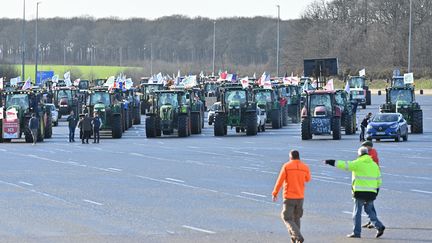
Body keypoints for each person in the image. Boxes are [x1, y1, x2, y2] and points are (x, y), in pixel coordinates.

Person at [324, 147, 385, 238]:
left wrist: (331, 162)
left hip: (360, 192)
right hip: (371, 192)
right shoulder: (374, 165)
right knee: (369, 210)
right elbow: (379, 181)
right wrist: (376, 192)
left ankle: (356, 232)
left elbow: (344, 165)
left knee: (357, 213)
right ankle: (379, 226)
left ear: (359, 154)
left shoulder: (358, 163)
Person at [272, 150, 311, 243]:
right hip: (300, 196)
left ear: (290, 157)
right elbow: (308, 179)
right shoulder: (305, 167)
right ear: (299, 157)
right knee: (296, 217)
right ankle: (294, 239)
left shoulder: (287, 166)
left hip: (289, 196)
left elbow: (280, 181)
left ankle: (298, 236)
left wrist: (275, 193)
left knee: (286, 217)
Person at [361, 140, 380, 229]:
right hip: (372, 183)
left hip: (371, 184)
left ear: (369, 146)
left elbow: (367, 161)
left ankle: (374, 222)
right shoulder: (370, 153)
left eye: (365, 146)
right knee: (369, 204)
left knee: (369, 204)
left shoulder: (372, 154)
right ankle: (371, 221)